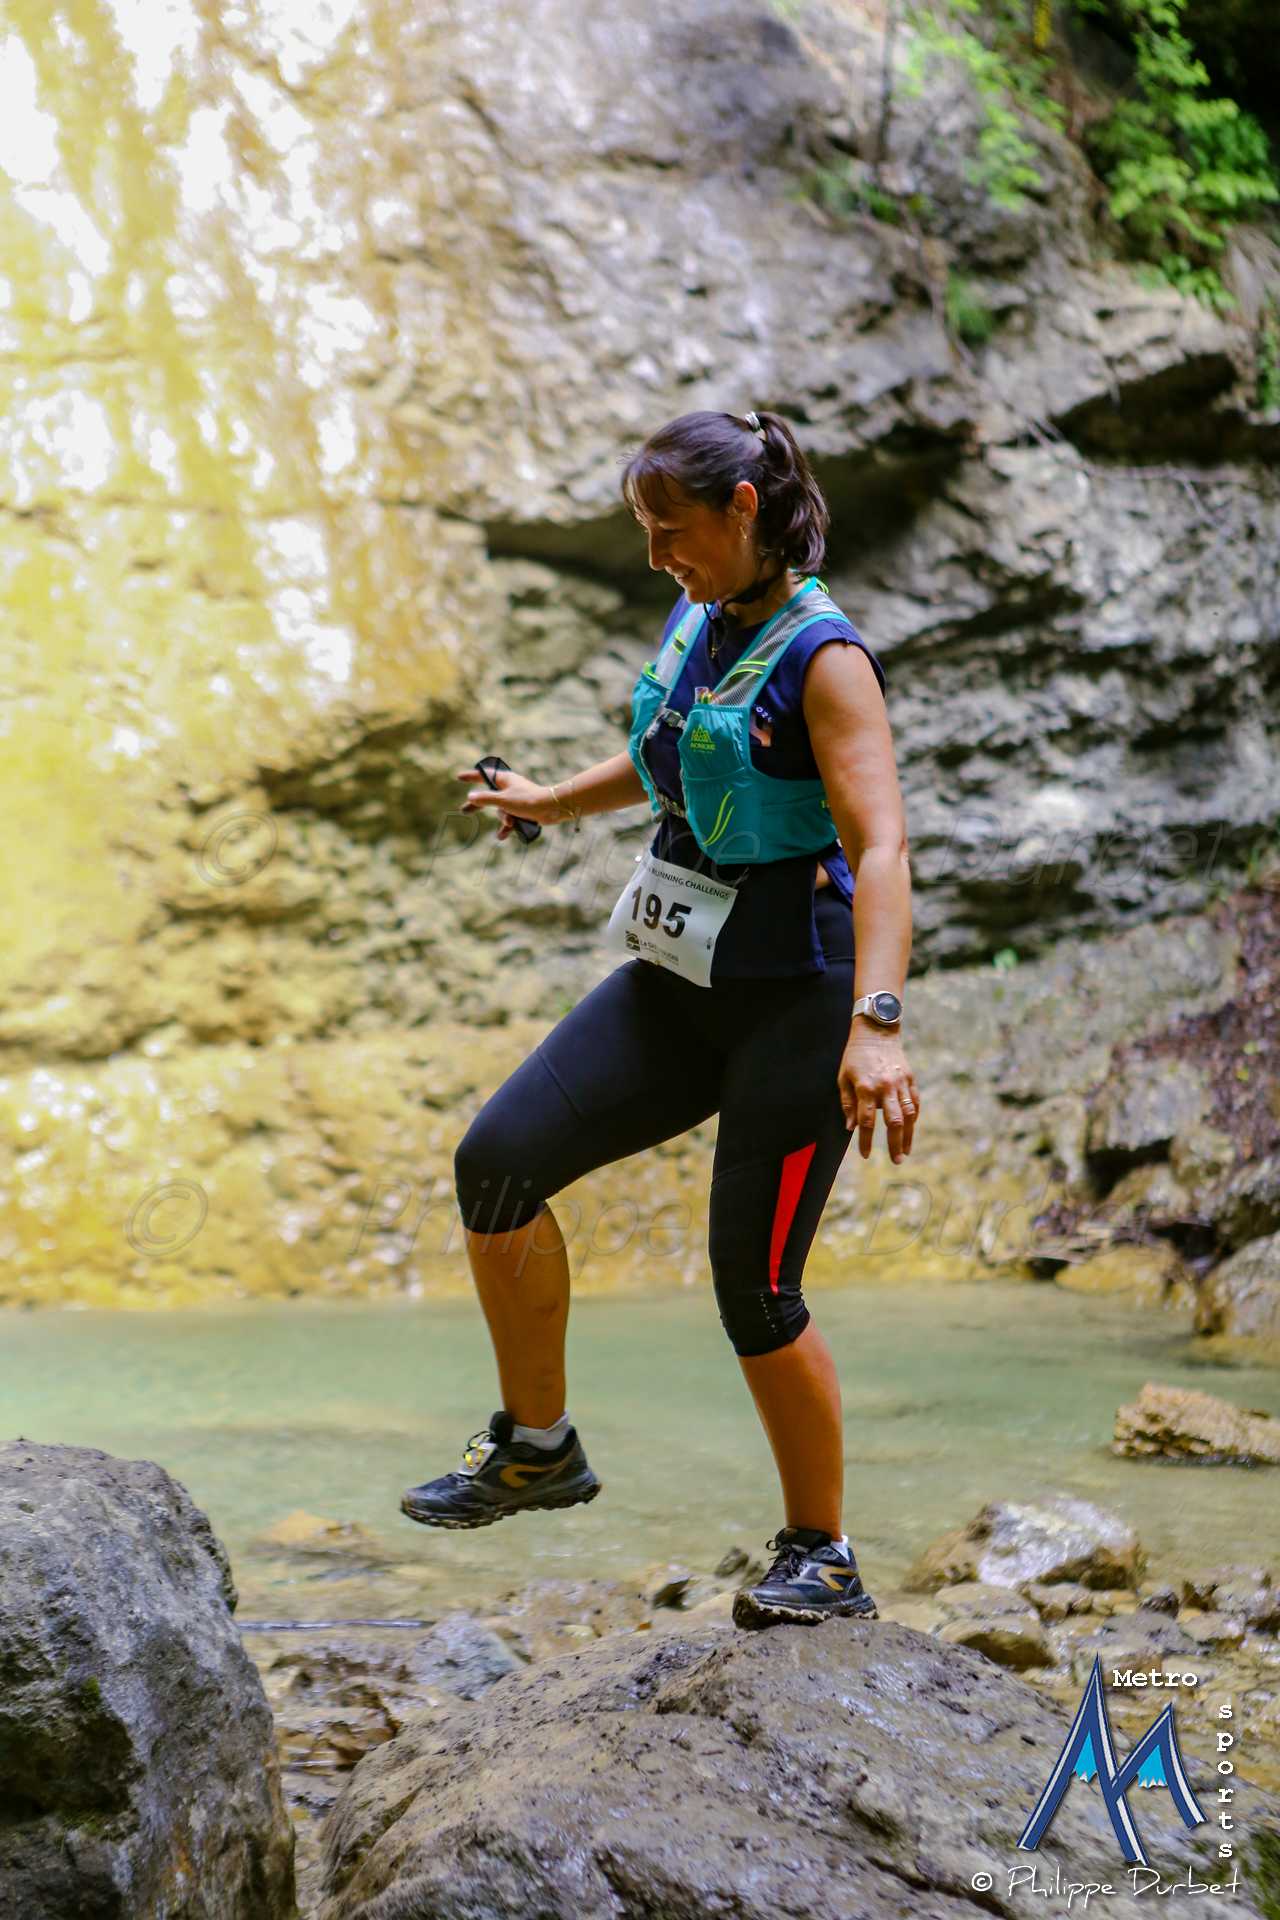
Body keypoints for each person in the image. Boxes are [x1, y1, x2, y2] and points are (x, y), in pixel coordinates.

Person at [400, 408, 919, 1630]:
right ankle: (536, 1448)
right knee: (495, 1164)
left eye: (668, 529)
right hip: (679, 980)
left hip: (798, 997)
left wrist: (877, 1023)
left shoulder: (825, 659)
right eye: (643, 531)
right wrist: (547, 802)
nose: (654, 556)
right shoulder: (703, 616)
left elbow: (880, 847)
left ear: (742, 510)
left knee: (755, 1285)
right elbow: (669, 759)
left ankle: (822, 1554)